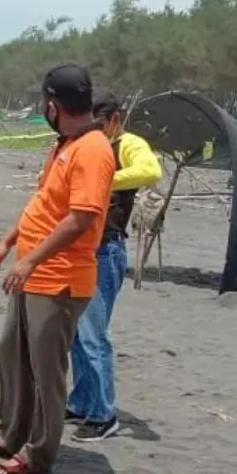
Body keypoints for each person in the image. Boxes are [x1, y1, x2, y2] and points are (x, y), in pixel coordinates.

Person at [0, 64, 116, 474]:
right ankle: (9, 433)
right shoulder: (65, 145)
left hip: (60, 278)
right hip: (32, 274)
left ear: (53, 105)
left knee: (47, 371)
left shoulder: (93, 151)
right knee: (12, 355)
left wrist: (30, 260)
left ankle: (40, 453)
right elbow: (43, 204)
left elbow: (81, 218)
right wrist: (8, 243)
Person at [66, 87, 162, 442]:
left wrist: (103, 179)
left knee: (94, 336)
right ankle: (81, 401)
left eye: (99, 125)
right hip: (82, 249)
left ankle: (104, 414)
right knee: (77, 334)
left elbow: (150, 171)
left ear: (114, 120)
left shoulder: (128, 144)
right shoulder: (89, 144)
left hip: (105, 250)